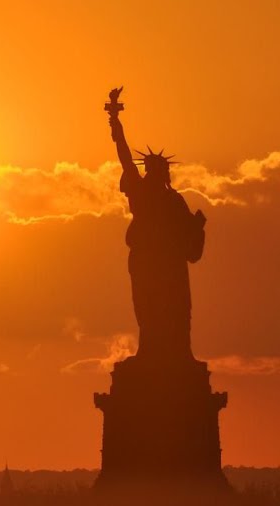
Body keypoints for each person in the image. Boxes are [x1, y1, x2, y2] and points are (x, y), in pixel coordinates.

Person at [109, 97, 207, 362]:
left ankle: (176, 354)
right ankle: (151, 353)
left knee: (174, 307)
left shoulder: (174, 200)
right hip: (147, 262)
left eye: (160, 170)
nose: (157, 174)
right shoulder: (143, 192)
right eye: (153, 169)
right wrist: (116, 125)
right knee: (148, 308)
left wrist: (197, 227)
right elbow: (125, 158)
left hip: (169, 265)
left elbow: (190, 245)